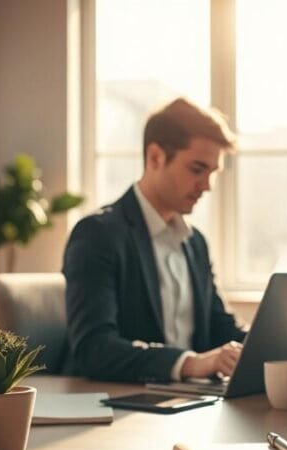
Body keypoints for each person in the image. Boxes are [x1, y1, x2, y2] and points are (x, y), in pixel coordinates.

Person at [63, 97, 247, 383]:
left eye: (212, 173)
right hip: (123, 408)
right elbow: (94, 349)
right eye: (197, 169)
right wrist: (190, 363)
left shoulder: (195, 243)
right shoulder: (98, 234)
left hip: (186, 405)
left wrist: (273, 349)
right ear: (155, 157)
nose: (207, 186)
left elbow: (220, 328)